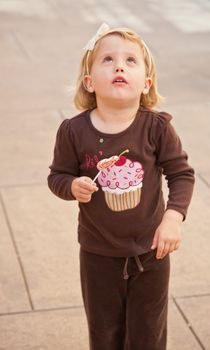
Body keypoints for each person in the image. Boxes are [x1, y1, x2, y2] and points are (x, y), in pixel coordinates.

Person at [47, 23, 195, 350]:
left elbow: (181, 174)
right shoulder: (73, 132)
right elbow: (56, 176)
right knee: (104, 333)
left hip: (152, 251)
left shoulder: (156, 128)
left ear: (146, 83)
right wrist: (72, 186)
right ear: (89, 81)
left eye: (131, 60)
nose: (119, 66)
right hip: (98, 253)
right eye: (108, 60)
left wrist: (173, 218)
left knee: (148, 335)